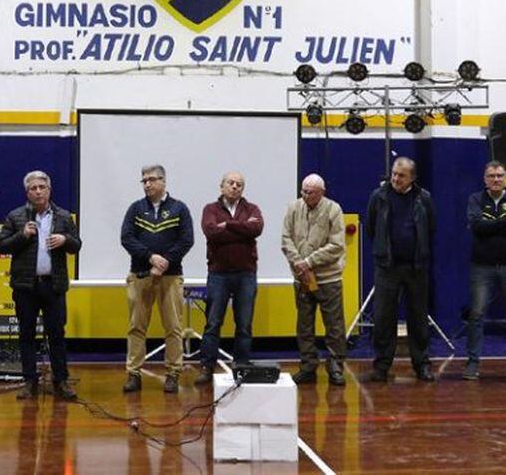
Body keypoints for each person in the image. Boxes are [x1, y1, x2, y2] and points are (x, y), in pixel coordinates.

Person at [0, 171, 81, 400]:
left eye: (42, 186)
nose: (39, 191)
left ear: (49, 190)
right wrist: (22, 235)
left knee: (57, 335)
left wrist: (66, 240)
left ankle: (60, 380)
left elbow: (77, 245)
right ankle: (29, 381)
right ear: (27, 192)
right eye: (34, 188)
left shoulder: (63, 216)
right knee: (26, 334)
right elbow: (2, 246)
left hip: (53, 285)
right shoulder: (16, 216)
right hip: (26, 287)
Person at [120, 164, 194, 393]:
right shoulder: (135, 209)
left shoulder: (179, 209)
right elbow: (127, 238)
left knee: (173, 327)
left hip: (170, 277)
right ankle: (134, 373)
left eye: (151, 179)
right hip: (140, 276)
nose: (147, 184)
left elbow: (186, 240)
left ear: (163, 181)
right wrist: (150, 257)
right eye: (144, 180)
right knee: (136, 326)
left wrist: (165, 262)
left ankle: (173, 373)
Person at [366, 157, 436, 382]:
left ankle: (422, 364)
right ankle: (381, 366)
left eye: (401, 175)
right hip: (387, 267)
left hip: (416, 267)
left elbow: (431, 228)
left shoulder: (424, 198)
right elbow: (370, 227)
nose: (395, 178)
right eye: (394, 174)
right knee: (384, 318)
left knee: (418, 318)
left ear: (412, 178)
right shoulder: (379, 197)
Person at [195, 172, 264, 385]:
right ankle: (207, 366)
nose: (235, 187)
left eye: (239, 184)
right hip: (219, 274)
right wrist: (241, 228)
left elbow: (257, 228)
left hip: (246, 274)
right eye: (231, 183)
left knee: (244, 323)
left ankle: (242, 365)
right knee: (213, 322)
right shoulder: (210, 209)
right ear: (222, 186)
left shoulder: (252, 209)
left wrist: (228, 225)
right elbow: (211, 232)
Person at [463, 161, 506, 381]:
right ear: (485, 179)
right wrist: (505, 221)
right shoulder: (475, 200)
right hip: (482, 266)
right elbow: (477, 227)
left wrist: (495, 224)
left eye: (500, 176)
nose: (496, 180)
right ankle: (473, 363)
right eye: (491, 176)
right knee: (477, 314)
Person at [281, 173, 347, 386]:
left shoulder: (333, 209)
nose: (305, 195)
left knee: (334, 326)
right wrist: (299, 263)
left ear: (322, 193)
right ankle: (308, 366)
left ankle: (335, 366)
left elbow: (337, 245)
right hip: (301, 278)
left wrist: (309, 261)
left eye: (310, 192)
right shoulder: (293, 208)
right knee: (304, 324)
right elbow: (286, 239)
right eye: (303, 191)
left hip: (328, 279)